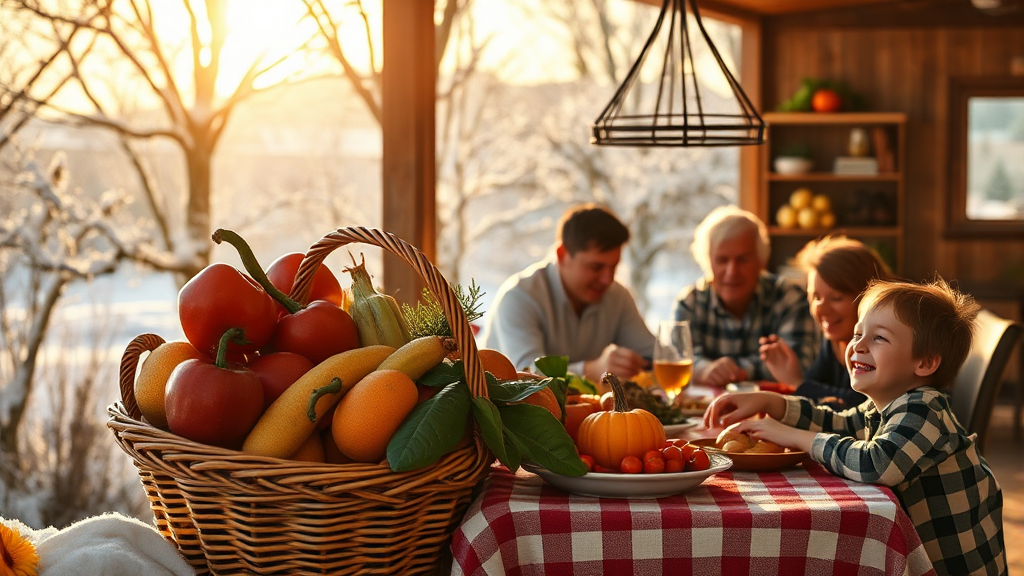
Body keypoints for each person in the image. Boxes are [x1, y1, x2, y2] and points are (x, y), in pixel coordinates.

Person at [704, 278, 1005, 576]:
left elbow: (876, 463)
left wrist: (795, 436)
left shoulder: (924, 409)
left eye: (879, 338)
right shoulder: (889, 403)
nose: (857, 346)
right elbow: (840, 422)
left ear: (924, 363)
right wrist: (771, 403)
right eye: (858, 333)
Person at [480, 204, 654, 382]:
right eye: (596, 267)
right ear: (561, 254)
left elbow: (654, 358)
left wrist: (644, 364)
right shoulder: (518, 297)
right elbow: (527, 378)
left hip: (590, 409)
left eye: (614, 267)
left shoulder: (617, 296)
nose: (607, 280)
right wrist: (590, 371)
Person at [673, 205, 818, 386]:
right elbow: (677, 358)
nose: (731, 271)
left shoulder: (788, 297)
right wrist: (705, 369)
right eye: (722, 260)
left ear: (761, 260)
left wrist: (733, 370)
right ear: (708, 261)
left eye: (742, 259)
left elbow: (799, 364)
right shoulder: (690, 302)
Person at [758, 235, 895, 406]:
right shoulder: (834, 339)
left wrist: (798, 383)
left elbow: (863, 407)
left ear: (868, 296)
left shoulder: (883, 345)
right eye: (816, 297)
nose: (821, 309)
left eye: (836, 298)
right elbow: (817, 396)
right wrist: (793, 375)